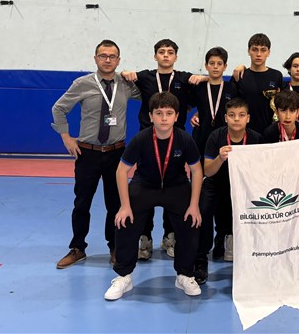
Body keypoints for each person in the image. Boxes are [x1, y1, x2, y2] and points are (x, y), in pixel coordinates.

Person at [104, 92, 203, 300]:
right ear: (151, 116)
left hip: (176, 186)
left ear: (177, 116)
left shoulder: (185, 139)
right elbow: (121, 170)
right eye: (159, 113)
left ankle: (185, 275)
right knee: (124, 220)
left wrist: (194, 205)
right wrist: (124, 206)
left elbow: (196, 171)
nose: (164, 118)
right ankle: (124, 276)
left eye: (169, 113)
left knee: (191, 221)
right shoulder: (141, 139)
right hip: (145, 185)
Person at [51, 39, 141, 269]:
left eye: (112, 56)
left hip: (116, 153)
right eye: (103, 56)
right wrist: (65, 137)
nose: (107, 60)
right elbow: (58, 109)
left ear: (118, 60)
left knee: (115, 203)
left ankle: (115, 247)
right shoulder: (82, 84)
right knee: (82, 203)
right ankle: (77, 248)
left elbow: (152, 95)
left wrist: (134, 76)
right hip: (88, 153)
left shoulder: (126, 84)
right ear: (95, 58)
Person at [122, 39, 206, 260]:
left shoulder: (184, 79)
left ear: (176, 57)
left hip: (176, 140)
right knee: (146, 185)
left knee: (174, 186)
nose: (166, 55)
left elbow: (210, 85)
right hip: (148, 140)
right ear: (155, 56)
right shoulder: (145, 77)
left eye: (170, 52)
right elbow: (123, 76)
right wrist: (126, 73)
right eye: (161, 52)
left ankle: (170, 236)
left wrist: (203, 77)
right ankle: (145, 237)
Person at [194, 98, 262, 284]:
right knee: (203, 211)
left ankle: (251, 256)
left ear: (248, 118)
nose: (236, 119)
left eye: (241, 115)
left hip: (244, 185)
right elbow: (207, 171)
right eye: (232, 115)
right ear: (225, 118)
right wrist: (220, 158)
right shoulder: (216, 136)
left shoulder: (256, 138)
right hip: (216, 183)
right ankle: (201, 260)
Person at [189, 46, 238, 259]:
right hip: (202, 145)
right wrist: (193, 115)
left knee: (226, 195)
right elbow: (185, 105)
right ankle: (201, 242)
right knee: (204, 195)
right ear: (206, 65)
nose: (215, 67)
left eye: (219, 64)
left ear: (225, 66)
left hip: (225, 145)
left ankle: (223, 236)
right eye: (211, 63)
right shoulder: (199, 87)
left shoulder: (232, 88)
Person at [231, 33, 283, 134]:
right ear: (248, 51)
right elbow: (230, 104)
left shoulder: (276, 76)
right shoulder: (240, 75)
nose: (258, 54)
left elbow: (282, 104)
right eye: (254, 49)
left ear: (268, 52)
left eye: (263, 50)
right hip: (245, 131)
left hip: (270, 130)